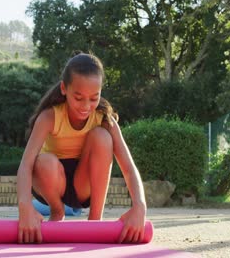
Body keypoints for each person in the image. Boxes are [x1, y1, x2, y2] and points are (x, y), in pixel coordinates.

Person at [16, 53, 146, 244]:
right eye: (78, 98)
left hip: (83, 185)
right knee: (44, 161)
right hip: (51, 183)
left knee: (102, 136)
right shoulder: (49, 117)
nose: (86, 106)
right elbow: (25, 165)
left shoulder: (103, 119)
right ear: (64, 89)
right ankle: (57, 210)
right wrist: (25, 206)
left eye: (94, 98)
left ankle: (95, 219)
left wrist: (140, 207)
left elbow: (128, 167)